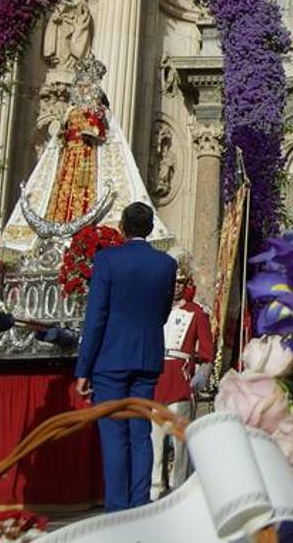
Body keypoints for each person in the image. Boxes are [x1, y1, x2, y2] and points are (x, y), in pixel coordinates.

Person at [76, 201, 176, 513]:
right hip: (147, 356)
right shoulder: (166, 264)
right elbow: (162, 312)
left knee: (114, 432)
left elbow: (96, 317)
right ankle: (140, 503)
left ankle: (118, 508)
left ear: (122, 227)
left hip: (110, 357)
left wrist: (83, 368)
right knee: (140, 432)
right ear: (150, 229)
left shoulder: (107, 260)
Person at [151, 257, 212, 499]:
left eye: (180, 282)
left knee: (180, 439)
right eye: (173, 282)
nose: (176, 286)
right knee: (154, 439)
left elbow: (206, 350)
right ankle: (155, 486)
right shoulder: (156, 310)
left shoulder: (196, 313)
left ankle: (179, 488)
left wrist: (201, 376)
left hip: (180, 378)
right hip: (157, 377)